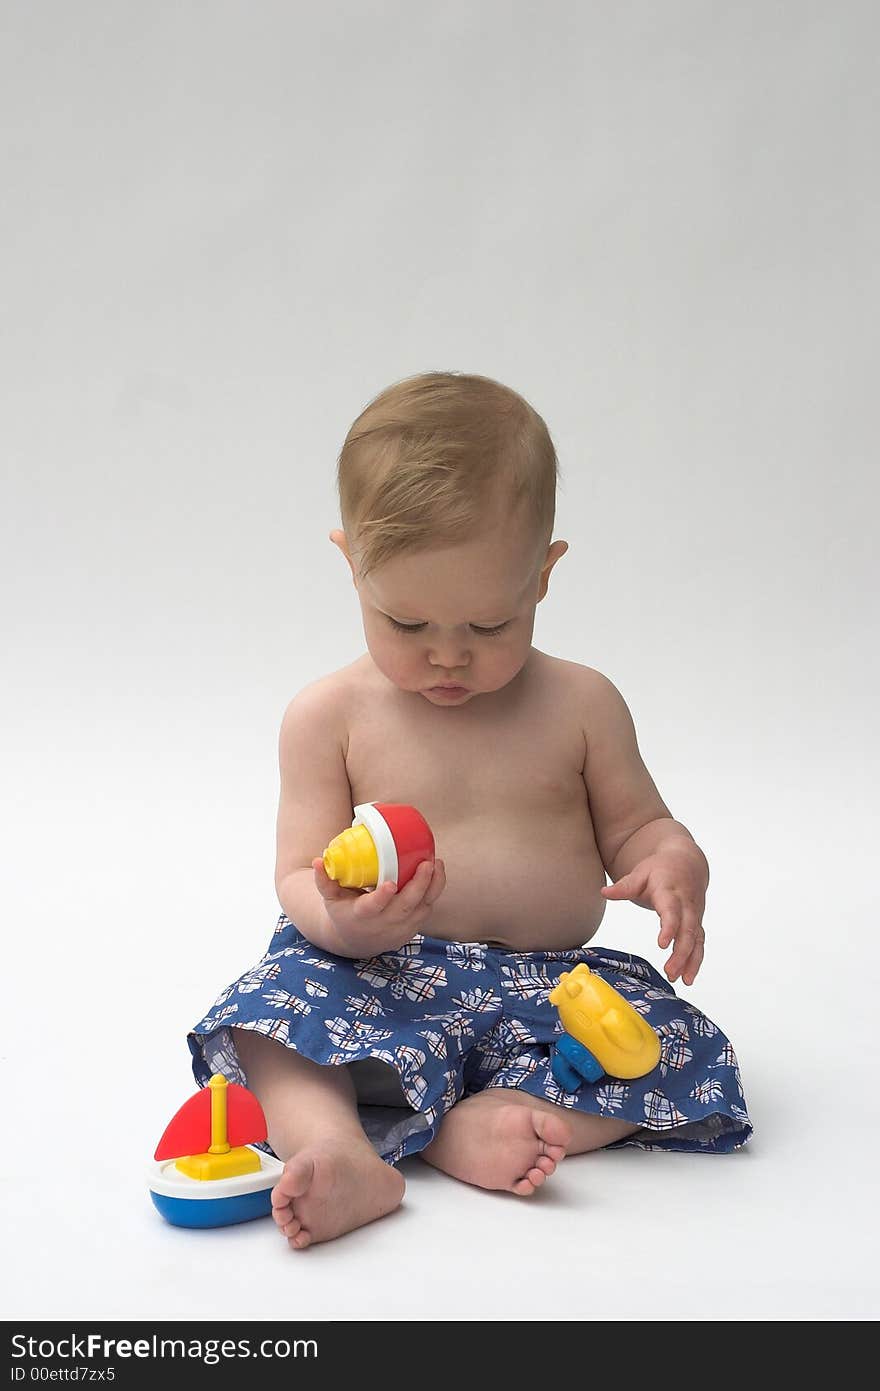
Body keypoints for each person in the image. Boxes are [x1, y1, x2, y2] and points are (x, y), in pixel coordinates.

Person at [188, 371, 752, 1249]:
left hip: (547, 988)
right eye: (406, 624)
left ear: (543, 574)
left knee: (679, 1043)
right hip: (376, 981)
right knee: (272, 1012)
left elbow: (639, 825)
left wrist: (673, 859)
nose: (447, 657)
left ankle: (495, 1117)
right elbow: (297, 876)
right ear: (352, 564)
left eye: (489, 625)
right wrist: (345, 924)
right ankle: (338, 1150)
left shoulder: (582, 704)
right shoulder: (328, 716)